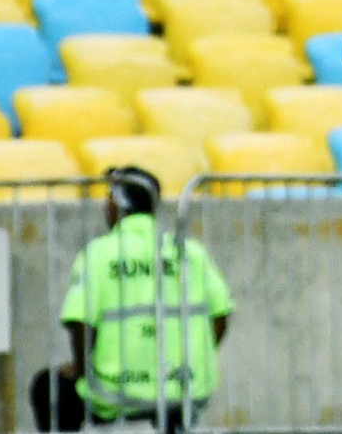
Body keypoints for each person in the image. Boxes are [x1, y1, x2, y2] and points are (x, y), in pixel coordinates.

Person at [34, 168, 232, 434]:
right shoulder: (190, 252)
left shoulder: (99, 254)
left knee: (48, 387)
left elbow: (79, 322)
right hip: (184, 387)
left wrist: (82, 369)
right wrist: (193, 359)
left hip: (115, 393)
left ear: (116, 204)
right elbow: (221, 314)